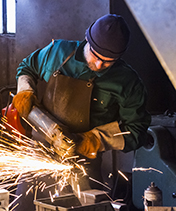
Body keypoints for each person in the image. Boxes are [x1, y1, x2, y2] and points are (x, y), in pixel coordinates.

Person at [12, 14, 151, 209]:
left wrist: (95, 140)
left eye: (108, 61)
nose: (100, 65)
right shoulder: (57, 52)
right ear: (87, 39)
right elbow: (27, 67)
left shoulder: (128, 82)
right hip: (39, 154)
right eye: (96, 55)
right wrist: (25, 91)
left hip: (83, 163)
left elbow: (137, 129)